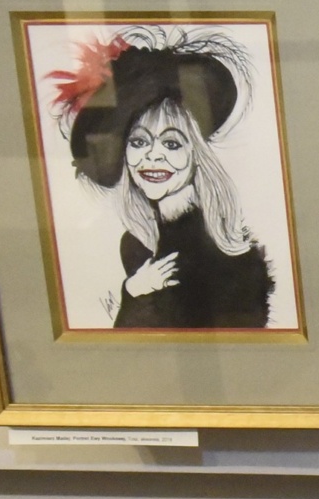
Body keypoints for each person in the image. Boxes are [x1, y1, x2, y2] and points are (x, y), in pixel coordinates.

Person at [53, 30, 274, 329]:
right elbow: (134, 347)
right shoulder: (136, 243)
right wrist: (134, 291)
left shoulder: (224, 243)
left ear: (196, 155)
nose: (152, 156)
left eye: (171, 143)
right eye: (139, 142)